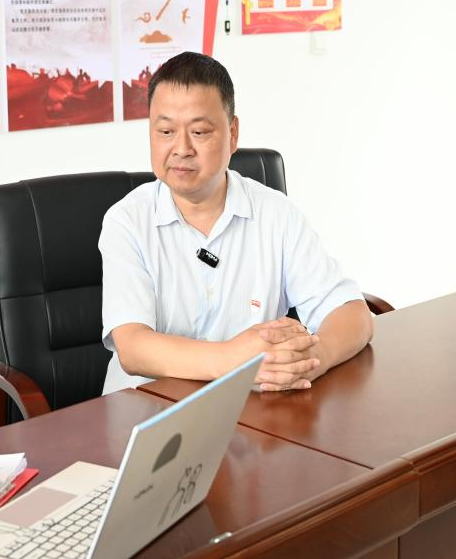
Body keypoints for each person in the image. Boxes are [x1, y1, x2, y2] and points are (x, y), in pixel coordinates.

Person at [100, 52, 373, 393]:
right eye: (166, 131)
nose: (181, 148)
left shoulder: (276, 214)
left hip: (250, 410)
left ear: (232, 134)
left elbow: (353, 313)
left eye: (199, 131)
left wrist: (313, 357)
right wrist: (236, 361)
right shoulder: (127, 221)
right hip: (146, 409)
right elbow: (132, 347)